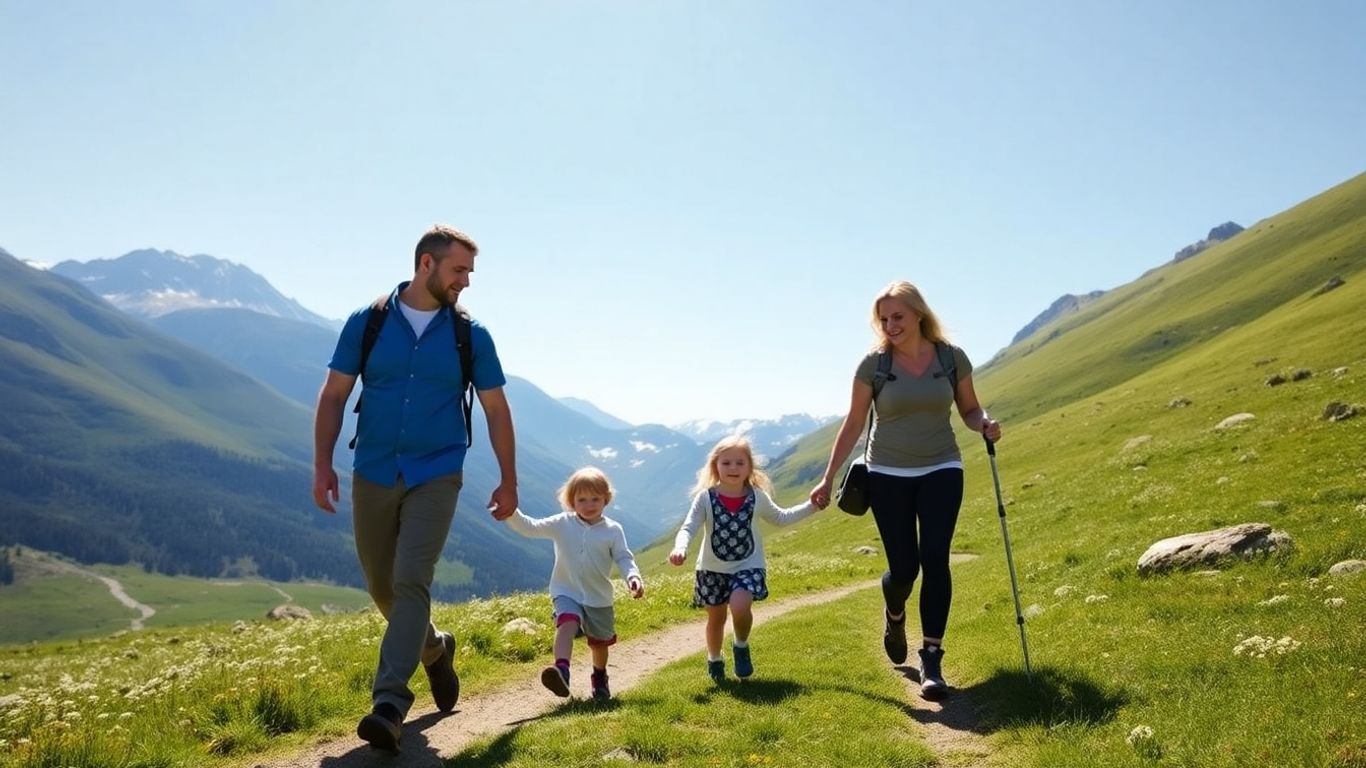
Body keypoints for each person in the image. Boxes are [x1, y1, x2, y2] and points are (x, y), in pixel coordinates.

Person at [312, 224, 519, 752]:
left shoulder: (470, 335)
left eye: (470, 272)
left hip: (438, 472)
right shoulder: (370, 322)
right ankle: (434, 649)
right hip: (374, 469)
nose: (466, 282)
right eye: (459, 270)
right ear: (426, 264)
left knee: (410, 579)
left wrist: (509, 478)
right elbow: (335, 394)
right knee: (382, 587)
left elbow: (495, 408)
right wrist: (322, 464)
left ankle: (389, 704)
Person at [808, 280, 1000, 701]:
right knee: (904, 569)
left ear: (918, 313)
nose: (890, 325)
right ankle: (894, 613)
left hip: (942, 467)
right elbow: (854, 422)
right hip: (887, 474)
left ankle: (932, 658)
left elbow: (969, 407)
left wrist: (983, 422)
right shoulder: (874, 365)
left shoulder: (950, 357)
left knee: (935, 557)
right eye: (883, 319)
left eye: (897, 316)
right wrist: (827, 476)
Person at [669, 435, 824, 682]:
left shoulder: (757, 497)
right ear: (715, 466)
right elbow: (689, 527)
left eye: (740, 463)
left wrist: (812, 506)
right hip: (711, 568)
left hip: (748, 564)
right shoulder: (705, 498)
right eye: (727, 462)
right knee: (716, 619)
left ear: (750, 467)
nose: (733, 468)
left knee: (740, 605)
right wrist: (681, 547)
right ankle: (715, 659)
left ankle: (741, 645)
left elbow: (781, 518)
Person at [492, 466, 644, 701]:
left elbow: (624, 557)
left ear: (606, 499)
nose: (589, 504)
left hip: (598, 597)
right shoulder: (562, 523)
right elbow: (531, 527)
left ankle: (599, 677)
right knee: (567, 622)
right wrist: (511, 512)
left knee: (599, 644)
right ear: (571, 501)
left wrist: (632, 576)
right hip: (566, 590)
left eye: (595, 498)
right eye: (581, 499)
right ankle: (561, 670)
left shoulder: (613, 530)